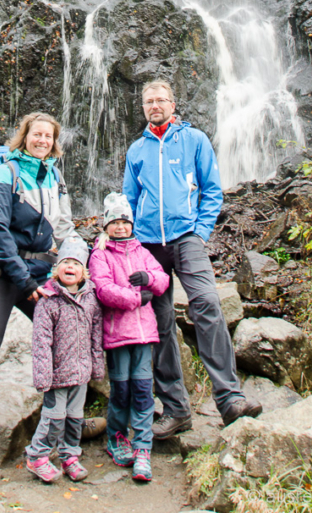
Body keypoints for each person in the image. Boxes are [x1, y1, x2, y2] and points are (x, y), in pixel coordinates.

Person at [123, 80, 262, 436]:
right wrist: (133, 244)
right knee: (160, 321)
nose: (155, 105)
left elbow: (212, 191)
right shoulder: (136, 150)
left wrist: (200, 232)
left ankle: (229, 398)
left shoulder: (194, 140)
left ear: (173, 102)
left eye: (160, 100)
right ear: (143, 107)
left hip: (188, 238)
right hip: (149, 246)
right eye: (149, 101)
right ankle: (176, 409)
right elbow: (128, 201)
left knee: (207, 306)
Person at [0, 112, 75, 479]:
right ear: (24, 137)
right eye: (36, 134)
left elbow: (64, 229)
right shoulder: (5, 171)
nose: (42, 140)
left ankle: (64, 427)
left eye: (48, 136)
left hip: (35, 275)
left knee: (65, 343)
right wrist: (25, 280)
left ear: (55, 142)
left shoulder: (54, 176)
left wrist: (83, 259)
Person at [89, 192, 169, 483]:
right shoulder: (100, 255)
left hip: (144, 334)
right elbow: (104, 290)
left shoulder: (142, 252)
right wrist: (138, 296)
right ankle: (117, 437)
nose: (121, 227)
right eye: (115, 222)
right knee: (121, 391)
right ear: (106, 226)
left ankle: (143, 448)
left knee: (144, 392)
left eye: (125, 221)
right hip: (117, 335)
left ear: (132, 224)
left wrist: (149, 280)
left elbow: (162, 279)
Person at [26, 236, 104, 483]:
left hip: (81, 373)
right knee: (53, 418)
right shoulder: (48, 302)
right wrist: (43, 376)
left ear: (85, 273)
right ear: (56, 269)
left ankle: (69, 455)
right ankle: (37, 456)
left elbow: (96, 336)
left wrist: (97, 367)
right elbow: (41, 343)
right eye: (65, 262)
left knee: (74, 417)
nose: (70, 267)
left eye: (76, 263)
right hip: (57, 375)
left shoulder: (91, 299)